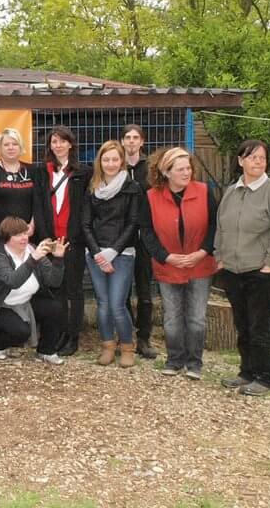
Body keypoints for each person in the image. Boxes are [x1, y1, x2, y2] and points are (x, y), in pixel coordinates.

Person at [214, 139, 270, 396]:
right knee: (243, 324)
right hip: (233, 271)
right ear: (241, 161)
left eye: (262, 157)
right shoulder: (231, 192)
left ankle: (265, 377)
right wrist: (220, 257)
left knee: (260, 326)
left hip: (262, 273)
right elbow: (221, 227)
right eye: (252, 157)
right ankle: (247, 372)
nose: (258, 161)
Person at [140, 147, 217, 380]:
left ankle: (194, 363)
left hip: (199, 264)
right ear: (166, 172)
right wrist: (165, 256)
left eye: (188, 168)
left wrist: (203, 252)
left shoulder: (204, 191)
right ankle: (174, 360)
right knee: (172, 317)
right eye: (180, 169)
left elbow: (215, 226)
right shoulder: (151, 196)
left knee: (196, 317)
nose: (186, 173)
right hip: (168, 265)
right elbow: (147, 232)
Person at [0, 216, 68, 364]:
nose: (24, 238)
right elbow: (13, 281)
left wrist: (58, 259)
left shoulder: (33, 250)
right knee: (21, 332)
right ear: (7, 237)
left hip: (26, 301)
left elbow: (54, 282)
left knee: (55, 307)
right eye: (18, 235)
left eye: (25, 233)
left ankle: (46, 351)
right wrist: (33, 259)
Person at [82, 140, 142, 369]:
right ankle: (107, 346)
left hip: (123, 253)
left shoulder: (132, 188)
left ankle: (127, 346)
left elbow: (133, 223)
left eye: (115, 159)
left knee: (117, 304)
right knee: (103, 304)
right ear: (100, 161)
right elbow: (86, 224)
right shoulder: (92, 187)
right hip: (95, 254)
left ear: (121, 161)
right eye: (106, 159)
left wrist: (113, 251)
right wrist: (97, 253)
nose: (110, 163)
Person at [33, 125, 90, 357]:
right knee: (54, 289)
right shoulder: (41, 171)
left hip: (73, 240)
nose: (58, 145)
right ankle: (56, 334)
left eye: (62, 141)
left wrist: (74, 237)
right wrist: (45, 236)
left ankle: (72, 337)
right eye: (54, 141)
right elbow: (38, 205)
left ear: (70, 144)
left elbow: (84, 208)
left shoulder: (83, 173)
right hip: (49, 239)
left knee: (73, 290)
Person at [121, 123, 157, 359]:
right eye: (128, 137)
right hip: (121, 237)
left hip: (145, 236)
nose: (132, 141)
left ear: (142, 142)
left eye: (136, 137)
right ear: (122, 141)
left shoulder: (151, 168)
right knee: (122, 291)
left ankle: (144, 338)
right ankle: (125, 336)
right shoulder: (115, 165)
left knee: (144, 290)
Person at [0, 127, 38, 258]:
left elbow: (38, 201)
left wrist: (32, 225)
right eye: (6, 144)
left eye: (14, 144)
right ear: (0, 148)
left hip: (28, 235)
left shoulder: (32, 170)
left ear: (20, 147)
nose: (11, 147)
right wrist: (15, 229)